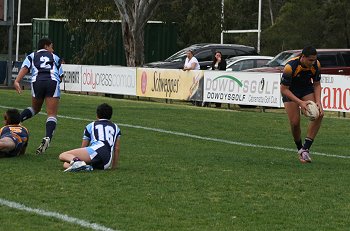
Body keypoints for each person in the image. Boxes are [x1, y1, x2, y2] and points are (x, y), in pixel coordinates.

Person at [13, 38, 64, 155]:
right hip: (52, 81)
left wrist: (17, 81)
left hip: (37, 81)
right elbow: (60, 76)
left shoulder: (32, 55)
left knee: (35, 109)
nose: (53, 49)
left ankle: (16, 122)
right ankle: (47, 137)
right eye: (51, 46)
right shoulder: (54, 57)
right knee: (51, 114)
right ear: (46, 46)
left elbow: (25, 68)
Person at [280, 45, 324, 163]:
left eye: (314, 59)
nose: (313, 62)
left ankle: (305, 149)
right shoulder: (290, 67)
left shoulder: (316, 65)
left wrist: (318, 102)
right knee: (295, 123)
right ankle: (299, 149)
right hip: (290, 91)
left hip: (306, 89)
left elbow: (316, 84)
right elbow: (283, 89)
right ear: (303, 57)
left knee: (319, 114)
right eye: (310, 60)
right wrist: (300, 103)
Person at [59, 103, 121, 172]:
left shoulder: (91, 125)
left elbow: (83, 147)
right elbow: (116, 148)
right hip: (106, 161)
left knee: (63, 155)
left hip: (98, 149)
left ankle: (78, 162)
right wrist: (114, 167)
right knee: (66, 164)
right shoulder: (116, 127)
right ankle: (86, 167)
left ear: (97, 115)